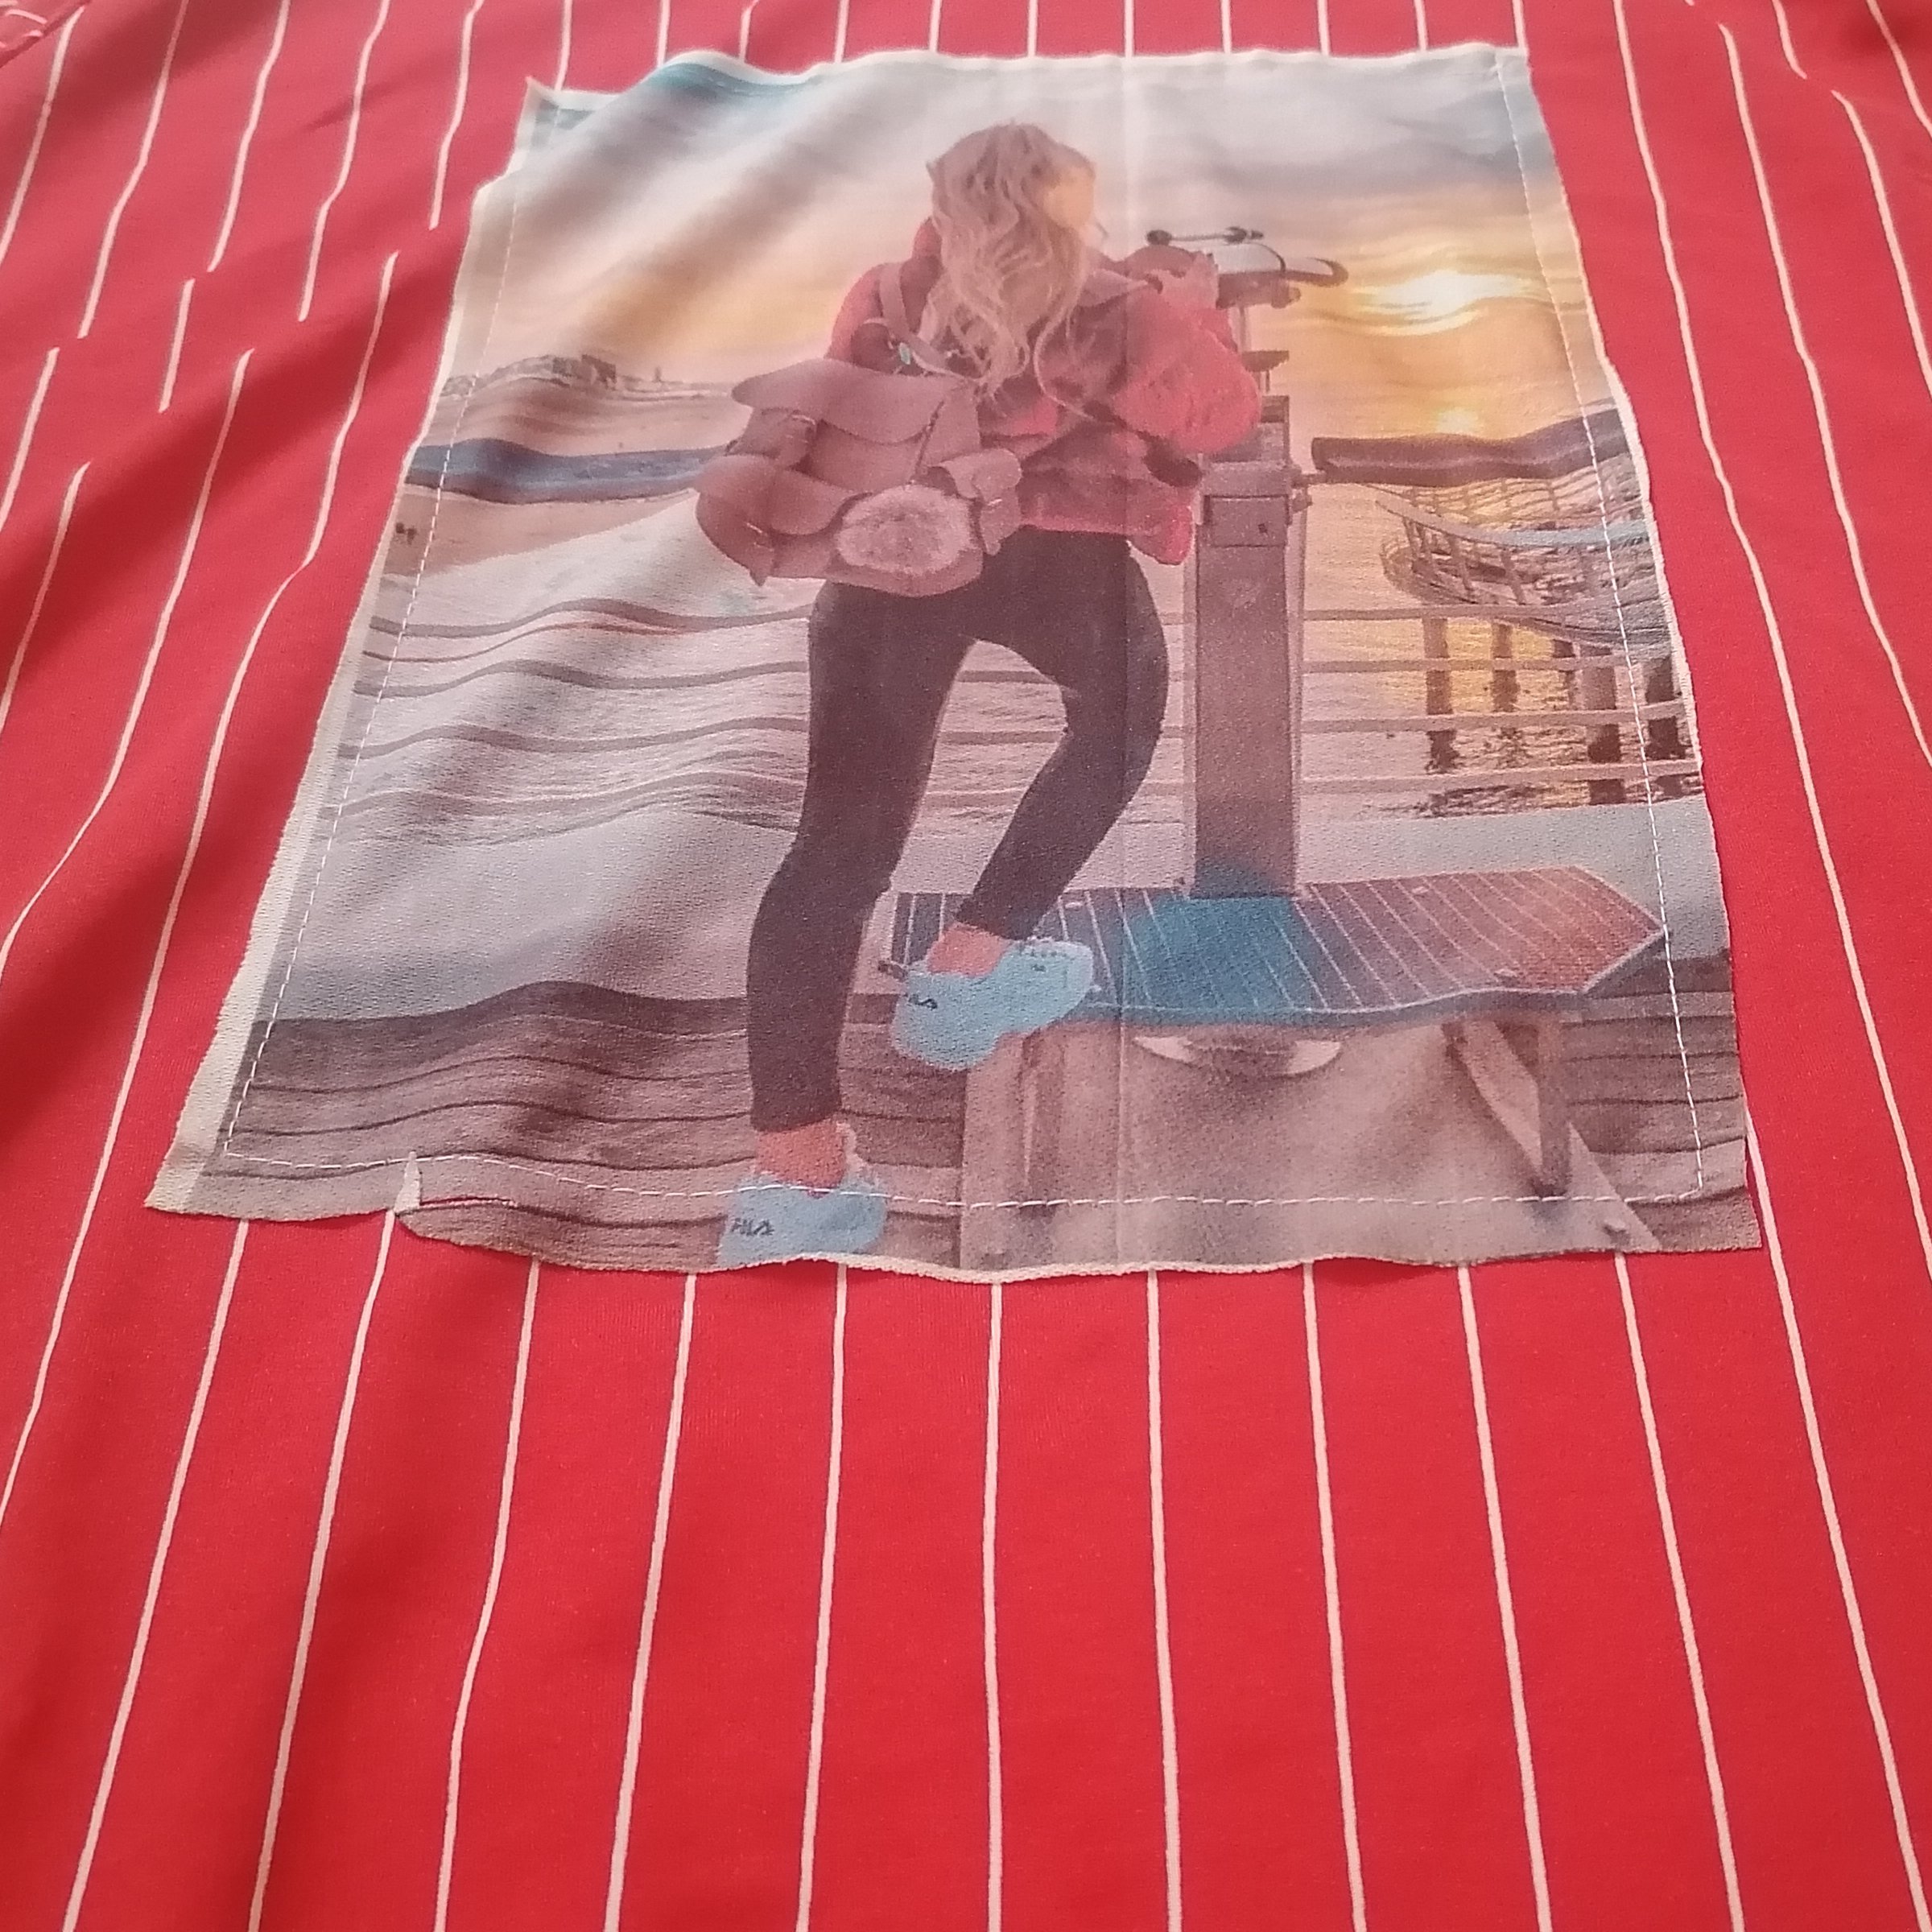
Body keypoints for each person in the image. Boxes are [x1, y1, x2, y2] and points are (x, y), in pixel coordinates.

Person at [718, 122, 1261, 1268]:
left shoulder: (883, 294)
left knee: (836, 848)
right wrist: (1194, 309)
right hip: (1051, 558)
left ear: (945, 204)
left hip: (891, 556)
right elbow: (1221, 415)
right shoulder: (1119, 311)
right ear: (1072, 203)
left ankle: (794, 1181)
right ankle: (968, 969)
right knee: (1120, 723)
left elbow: (852, 411)